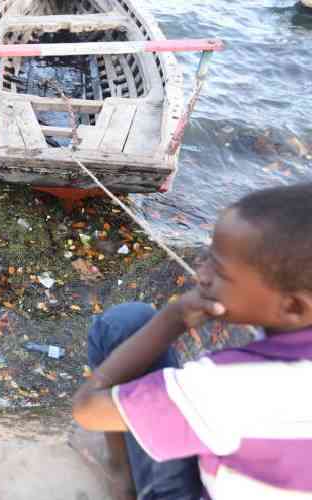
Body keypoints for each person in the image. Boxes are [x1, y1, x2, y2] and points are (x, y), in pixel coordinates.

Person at [72, 183, 312, 499]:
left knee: (125, 323)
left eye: (220, 270)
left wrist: (172, 319)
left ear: (293, 307)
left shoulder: (228, 387)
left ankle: (125, 481)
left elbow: (87, 409)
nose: (202, 274)